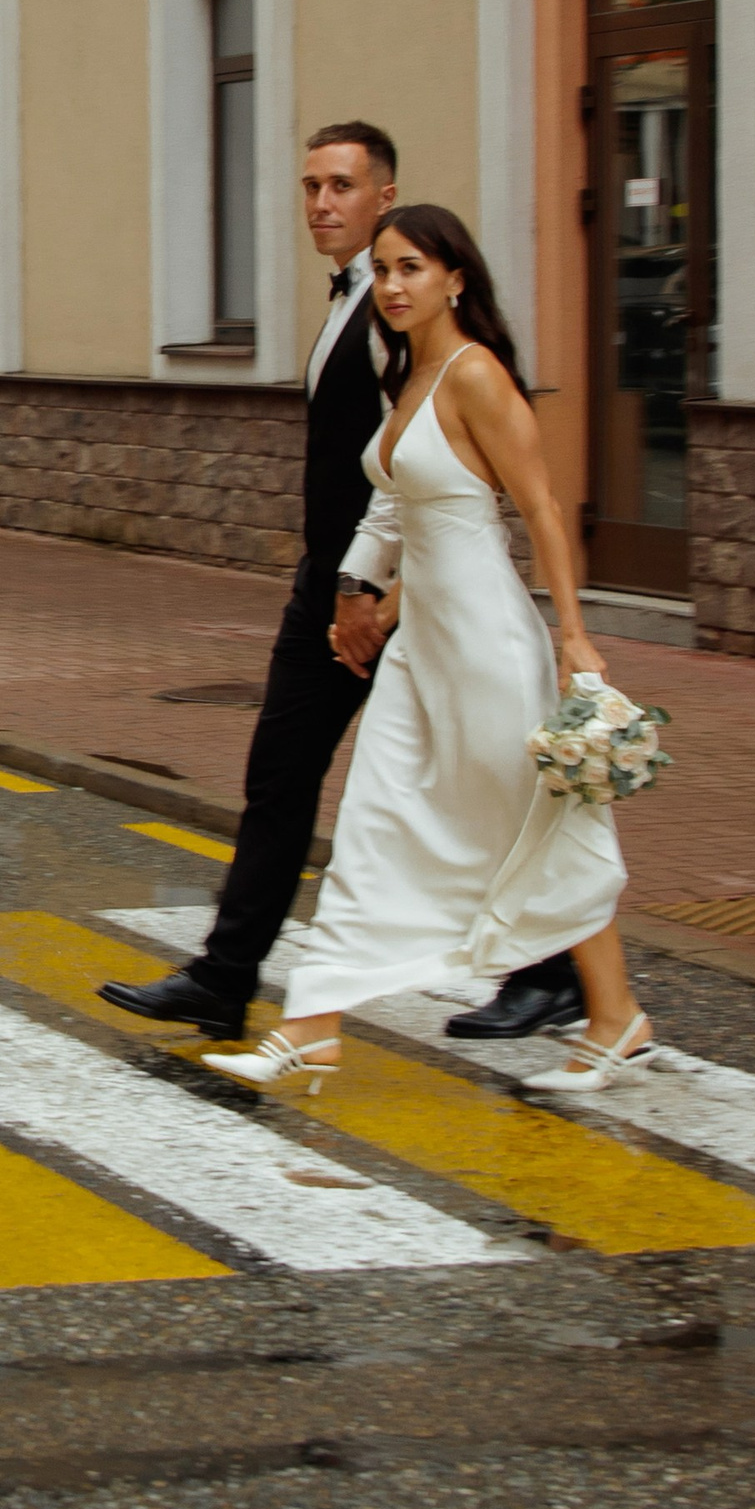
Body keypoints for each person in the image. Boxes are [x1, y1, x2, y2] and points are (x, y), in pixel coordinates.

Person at [101, 125, 581, 1045]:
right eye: (311, 186)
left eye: (342, 186)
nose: (321, 203)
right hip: (336, 584)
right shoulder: (353, 302)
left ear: (385, 194)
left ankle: (551, 970)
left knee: (478, 779)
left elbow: (426, 465)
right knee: (285, 777)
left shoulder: (399, 312)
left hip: (388, 595)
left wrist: (366, 592)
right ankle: (224, 975)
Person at [203, 201, 658, 1100]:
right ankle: (311, 1027)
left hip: (487, 643)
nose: (394, 285)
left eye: (412, 267)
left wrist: (573, 635)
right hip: (422, 648)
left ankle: (615, 1018)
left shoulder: (476, 374)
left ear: (456, 277)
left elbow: (539, 510)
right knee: (374, 826)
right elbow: (411, 516)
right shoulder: (409, 374)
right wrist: (369, 596)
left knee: (537, 825)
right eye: (384, 269)